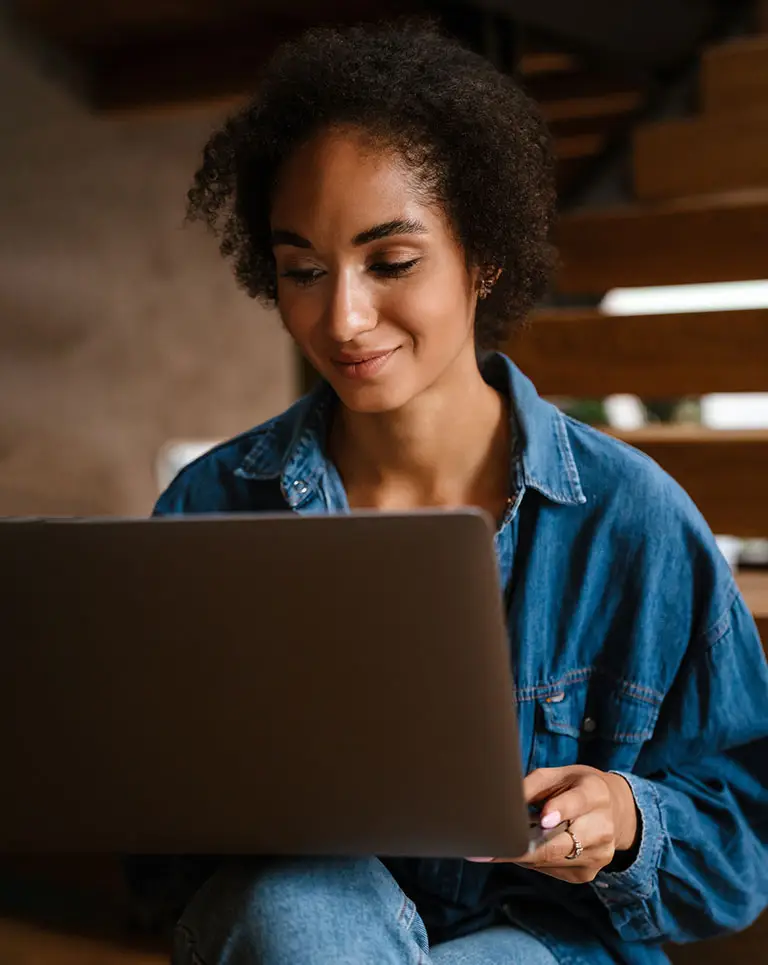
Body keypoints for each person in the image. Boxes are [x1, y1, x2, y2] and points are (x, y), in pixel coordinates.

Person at [152, 19, 768, 965]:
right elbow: (155, 859)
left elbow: (742, 845)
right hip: (299, 930)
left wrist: (628, 819)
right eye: (303, 271)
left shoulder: (631, 523)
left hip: (546, 942)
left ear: (483, 256)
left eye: (391, 263)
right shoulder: (215, 504)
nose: (344, 317)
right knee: (301, 916)